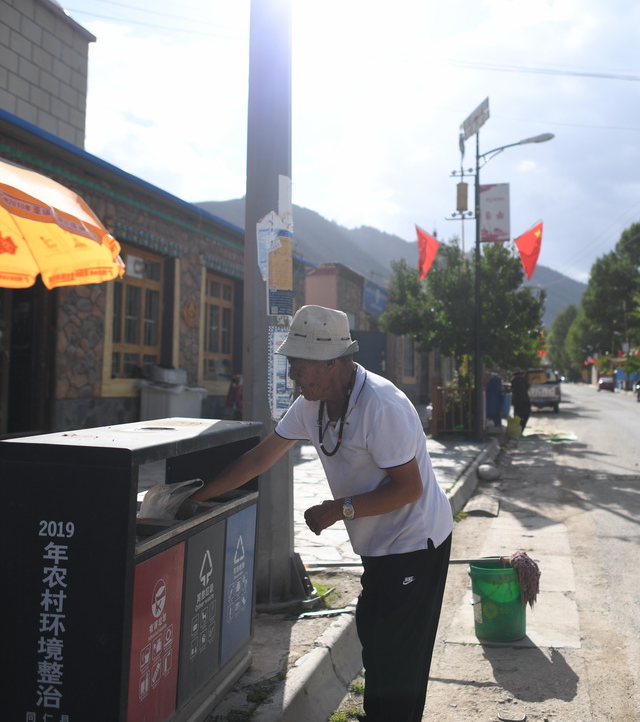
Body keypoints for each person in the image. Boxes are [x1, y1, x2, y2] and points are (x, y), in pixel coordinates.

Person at [192, 305, 453, 722]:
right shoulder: (311, 405)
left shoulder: (381, 405)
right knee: (374, 637)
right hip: (377, 545)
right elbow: (260, 458)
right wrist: (198, 497)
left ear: (332, 362)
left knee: (398, 656)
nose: (293, 374)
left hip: (415, 542)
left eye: (300, 363)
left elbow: (409, 489)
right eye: (291, 363)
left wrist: (339, 509)